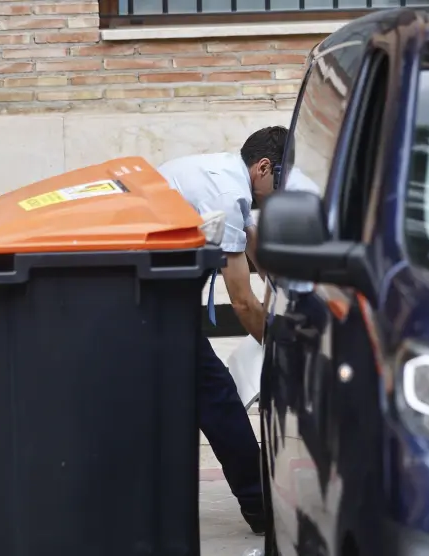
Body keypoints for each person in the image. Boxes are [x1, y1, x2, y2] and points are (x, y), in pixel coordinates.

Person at [156, 125, 289, 535]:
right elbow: (242, 300)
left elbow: (249, 240)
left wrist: (278, 282)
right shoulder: (228, 193)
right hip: (154, 303)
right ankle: (259, 506)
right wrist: (279, 350)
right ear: (264, 167)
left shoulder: (224, 174)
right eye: (285, 181)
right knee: (217, 398)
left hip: (147, 293)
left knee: (183, 399)